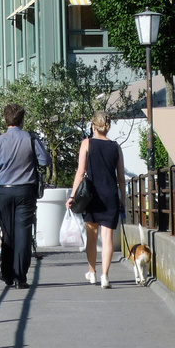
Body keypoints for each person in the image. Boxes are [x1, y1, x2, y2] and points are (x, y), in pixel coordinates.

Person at [0, 104, 51, 290]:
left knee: (7, 232)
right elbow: (45, 160)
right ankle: (20, 277)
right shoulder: (31, 138)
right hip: (26, 191)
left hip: (4, 191)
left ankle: (7, 274)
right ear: (22, 120)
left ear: (5, 120)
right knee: (23, 233)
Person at [67, 110, 125, 289]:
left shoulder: (87, 143)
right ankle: (105, 275)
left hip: (91, 196)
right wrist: (123, 198)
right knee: (107, 238)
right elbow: (121, 177)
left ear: (93, 126)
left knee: (91, 237)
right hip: (110, 195)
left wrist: (72, 195)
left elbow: (80, 171)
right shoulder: (116, 147)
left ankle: (92, 273)